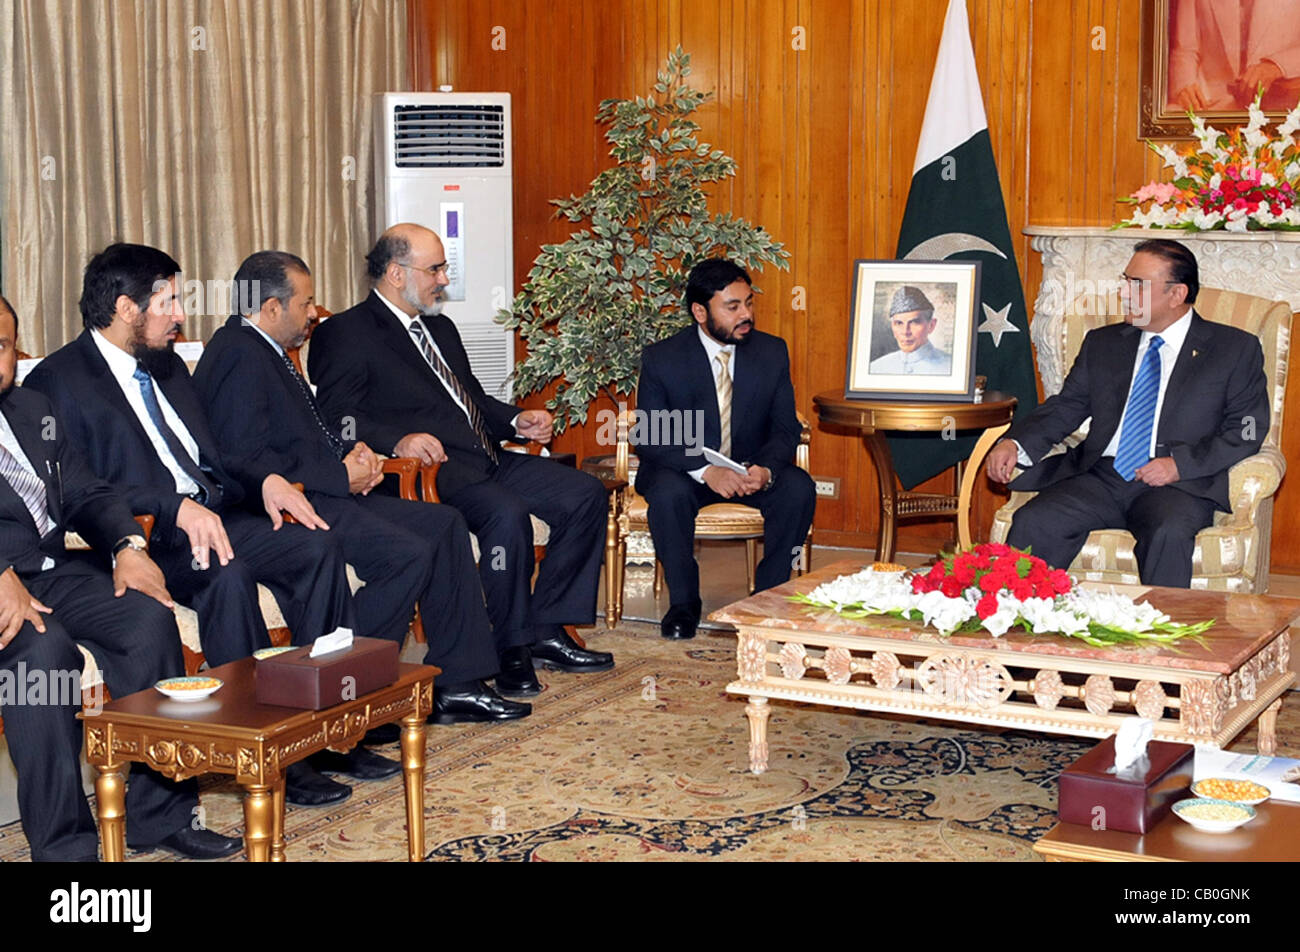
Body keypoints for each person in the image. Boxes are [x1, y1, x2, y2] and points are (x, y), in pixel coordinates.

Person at [24, 243, 391, 808]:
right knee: (227, 574)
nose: (179, 315)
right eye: (169, 301)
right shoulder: (58, 382)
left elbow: (213, 453)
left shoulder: (165, 366)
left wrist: (266, 478)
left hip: (217, 514)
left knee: (317, 546)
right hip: (147, 536)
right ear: (127, 307)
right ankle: (254, 743)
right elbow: (78, 491)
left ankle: (320, 734)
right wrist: (172, 506)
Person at [192, 250, 527, 725]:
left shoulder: (265, 349)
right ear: (270, 308)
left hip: (324, 489)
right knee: (407, 553)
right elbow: (244, 459)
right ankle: (340, 693)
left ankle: (458, 682)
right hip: (291, 506)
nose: (313, 313)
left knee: (444, 524)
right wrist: (337, 476)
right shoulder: (237, 355)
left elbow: (302, 432)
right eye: (306, 303)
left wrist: (352, 457)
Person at [308, 224, 614, 697]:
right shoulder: (345, 333)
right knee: (505, 514)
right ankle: (510, 647)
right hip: (433, 471)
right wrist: (399, 439)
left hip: (487, 456)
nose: (444, 279)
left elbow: (468, 401)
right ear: (394, 273)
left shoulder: (440, 328)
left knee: (584, 494)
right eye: (435, 269)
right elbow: (336, 419)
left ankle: (547, 629)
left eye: (443, 268)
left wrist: (516, 421)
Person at [0, 295, 240, 860]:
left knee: (146, 614)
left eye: (3, 344)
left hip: (54, 575)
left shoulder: (33, 411)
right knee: (41, 653)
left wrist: (128, 545)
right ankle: (66, 850)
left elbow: (86, 492)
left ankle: (159, 816)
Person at [984, 238, 1269, 587]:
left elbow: (1248, 429)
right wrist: (1015, 442)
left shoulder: (1233, 349)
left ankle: (1162, 636)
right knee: (1034, 521)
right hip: (1101, 477)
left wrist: (1180, 465)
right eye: (1125, 281)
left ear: (1176, 294)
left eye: (1138, 285)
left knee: (1168, 532)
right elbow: (1067, 405)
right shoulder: (1104, 343)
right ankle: (1017, 622)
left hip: (1178, 485)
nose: (1124, 293)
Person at [635, 258, 816, 640]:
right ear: (700, 312)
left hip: (750, 469)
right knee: (667, 494)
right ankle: (684, 604)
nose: (745, 314)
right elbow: (651, 435)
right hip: (687, 471)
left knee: (798, 488)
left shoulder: (771, 352)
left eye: (748, 303)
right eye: (732, 307)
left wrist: (765, 469)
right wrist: (707, 471)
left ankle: (768, 598)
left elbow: (786, 428)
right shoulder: (663, 358)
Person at [1168, 0, 1300, 111]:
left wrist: (1277, 66)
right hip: (1211, 103)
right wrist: (1183, 85)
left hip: (1283, 105)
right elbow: (1184, 49)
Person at [867, 286, 951, 375]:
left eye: (914, 322)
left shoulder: (950, 367)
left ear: (931, 325)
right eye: (899, 323)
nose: (905, 332)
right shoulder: (876, 368)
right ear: (892, 326)